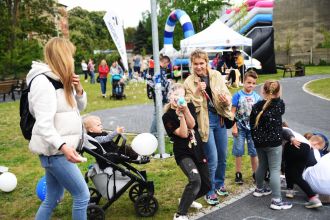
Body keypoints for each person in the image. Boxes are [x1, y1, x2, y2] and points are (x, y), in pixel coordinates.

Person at [26, 37, 89, 219]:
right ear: (63, 56)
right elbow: (43, 124)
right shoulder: (43, 82)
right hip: (56, 152)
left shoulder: (60, 79)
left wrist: (79, 89)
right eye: (70, 55)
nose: (73, 59)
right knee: (82, 195)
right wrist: (63, 147)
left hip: (59, 151)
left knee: (52, 197)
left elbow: (79, 108)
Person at [184, 49, 233, 205]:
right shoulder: (188, 82)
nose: (199, 67)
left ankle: (219, 184)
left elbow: (226, 94)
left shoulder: (216, 75)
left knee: (223, 156)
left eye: (201, 63)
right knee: (212, 158)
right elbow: (190, 106)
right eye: (196, 64)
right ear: (192, 64)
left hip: (219, 120)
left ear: (207, 62)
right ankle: (209, 191)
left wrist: (226, 101)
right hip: (204, 123)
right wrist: (198, 92)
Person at [162, 83, 211, 220]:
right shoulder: (167, 117)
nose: (178, 98)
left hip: (197, 149)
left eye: (181, 95)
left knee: (207, 185)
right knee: (195, 180)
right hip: (183, 152)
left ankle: (186, 199)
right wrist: (180, 116)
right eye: (176, 95)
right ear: (170, 96)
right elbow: (183, 134)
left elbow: (193, 125)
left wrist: (185, 111)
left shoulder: (189, 106)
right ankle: (180, 215)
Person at [250, 80, 292, 210]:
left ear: (263, 92)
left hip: (258, 142)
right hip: (274, 143)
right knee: (274, 169)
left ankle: (259, 188)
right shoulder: (279, 105)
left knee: (262, 164)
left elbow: (251, 123)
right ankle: (276, 200)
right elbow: (278, 100)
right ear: (278, 92)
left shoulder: (256, 106)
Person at [282, 128, 324, 208]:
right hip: (304, 148)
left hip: (293, 144)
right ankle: (290, 190)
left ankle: (312, 197)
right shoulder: (306, 142)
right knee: (296, 173)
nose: (316, 149)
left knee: (289, 169)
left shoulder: (280, 128)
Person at [231, 70, 261, 185]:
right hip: (239, 127)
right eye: (248, 82)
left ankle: (255, 173)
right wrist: (234, 127)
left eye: (253, 83)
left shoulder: (257, 97)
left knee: (254, 151)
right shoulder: (237, 95)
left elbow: (259, 115)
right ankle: (238, 173)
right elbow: (232, 112)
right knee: (239, 150)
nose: (251, 85)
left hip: (252, 129)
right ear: (243, 82)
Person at [150, 55, 171, 136]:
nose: (167, 66)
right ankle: (153, 133)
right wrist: (169, 83)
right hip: (160, 96)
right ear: (165, 62)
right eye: (167, 64)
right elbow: (163, 84)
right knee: (158, 113)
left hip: (157, 95)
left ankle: (155, 132)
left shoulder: (156, 69)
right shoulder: (160, 70)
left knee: (158, 113)